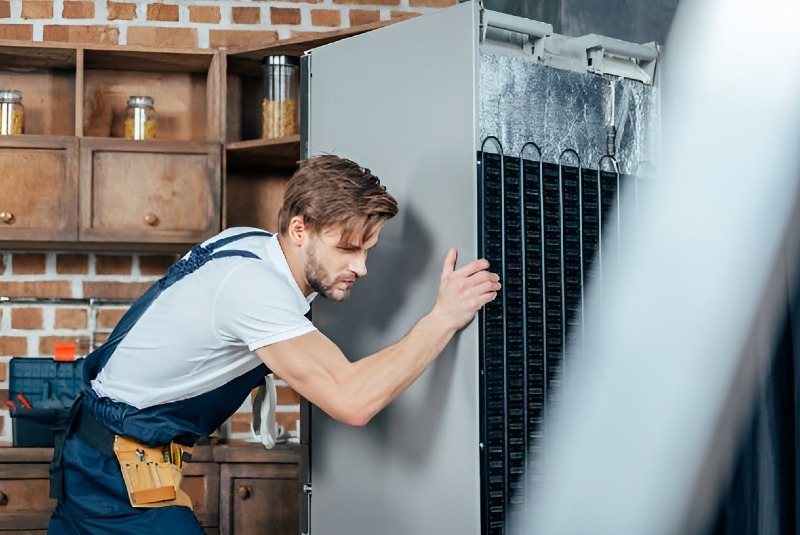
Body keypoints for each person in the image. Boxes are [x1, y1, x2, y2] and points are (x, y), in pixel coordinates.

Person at [47, 154, 500, 534]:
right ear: (300, 229)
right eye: (347, 248)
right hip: (113, 477)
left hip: (92, 452)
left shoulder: (249, 243)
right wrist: (442, 318)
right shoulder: (255, 288)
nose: (362, 267)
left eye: (368, 250)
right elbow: (353, 400)